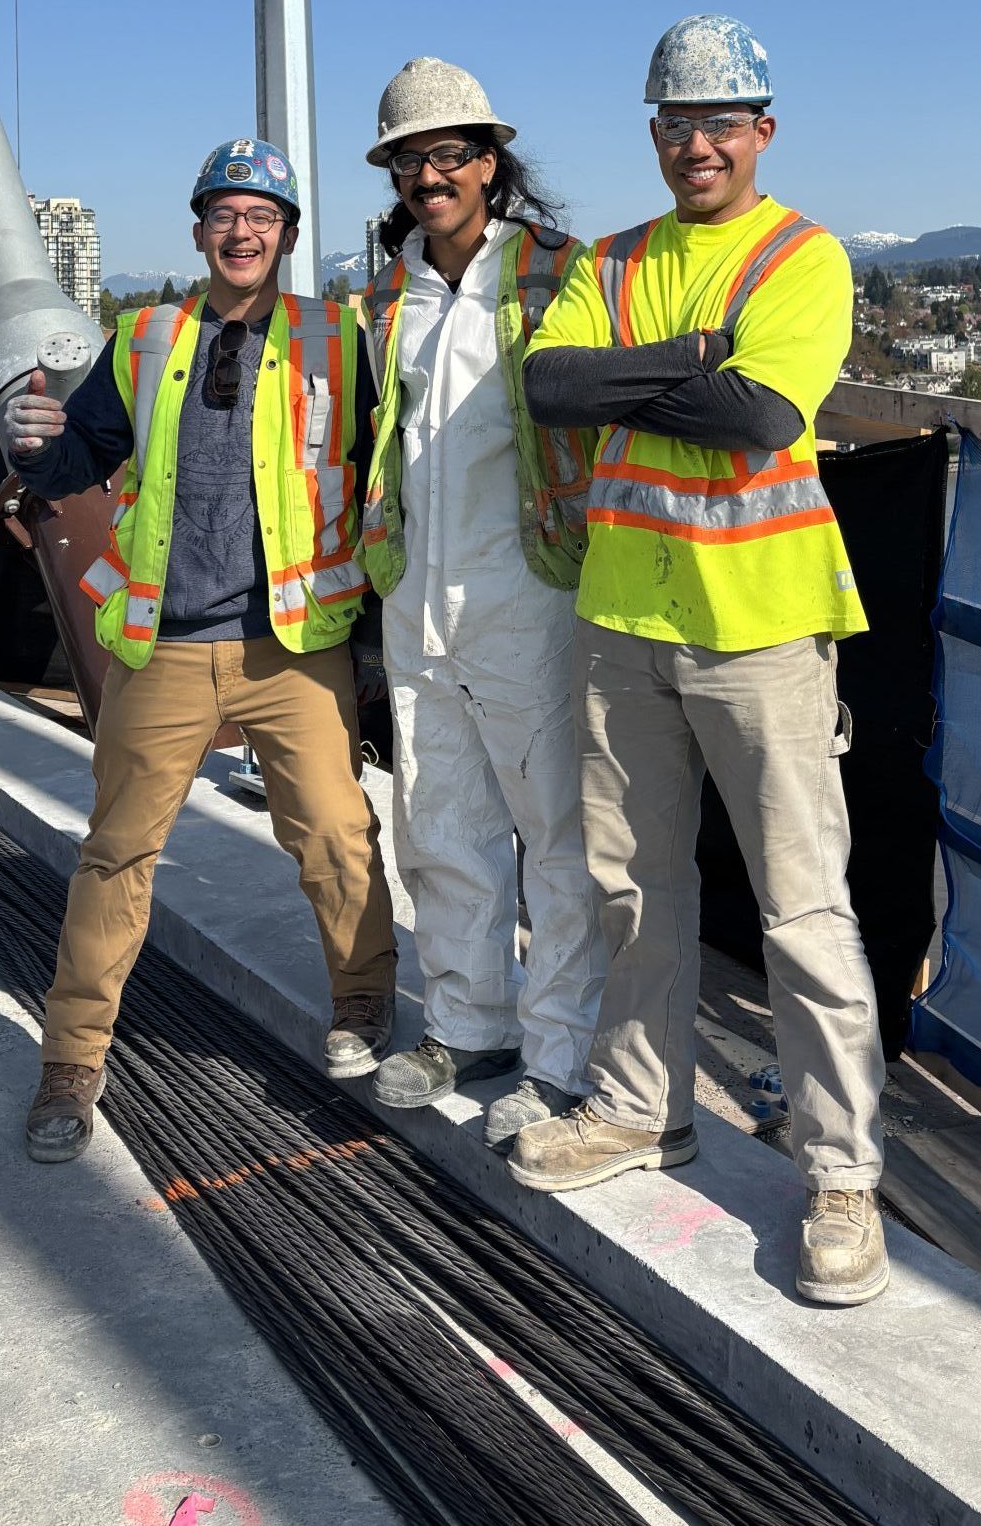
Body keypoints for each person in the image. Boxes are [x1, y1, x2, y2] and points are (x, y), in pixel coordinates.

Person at [508, 17, 891, 1305]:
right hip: (624, 620)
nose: (698, 144)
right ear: (653, 133)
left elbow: (757, 420)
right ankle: (639, 1107)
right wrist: (683, 360)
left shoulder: (804, 256)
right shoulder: (613, 259)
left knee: (802, 909)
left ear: (763, 131)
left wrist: (642, 379)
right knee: (634, 886)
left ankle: (842, 1176)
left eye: (723, 121)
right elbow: (551, 390)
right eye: (677, 123)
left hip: (762, 628)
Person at [1, 137, 399, 1163]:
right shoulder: (144, 338)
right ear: (198, 231)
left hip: (295, 644)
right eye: (224, 213)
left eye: (261, 216)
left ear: (289, 236)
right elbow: (83, 454)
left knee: (336, 836)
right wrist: (36, 447)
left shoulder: (335, 338)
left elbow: (383, 465)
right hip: (165, 646)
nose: (242, 230)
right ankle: (71, 1057)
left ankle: (364, 1008)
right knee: (117, 853)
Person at [358, 58, 608, 1148]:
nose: (431, 174)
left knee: (554, 829)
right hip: (417, 590)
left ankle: (558, 1056)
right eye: (412, 159)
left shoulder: (558, 276)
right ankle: (467, 1022)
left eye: (450, 154)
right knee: (441, 815)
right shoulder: (385, 293)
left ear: (490, 163)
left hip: (528, 586)